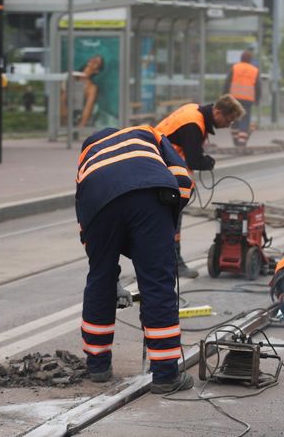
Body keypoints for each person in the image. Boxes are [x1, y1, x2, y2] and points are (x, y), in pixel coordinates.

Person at [76, 125, 196, 393]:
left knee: (99, 280)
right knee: (157, 283)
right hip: (150, 197)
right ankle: (166, 375)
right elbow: (183, 180)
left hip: (99, 205)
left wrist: (104, 267)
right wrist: (167, 226)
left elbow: (85, 221)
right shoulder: (147, 132)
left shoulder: (87, 156)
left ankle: (97, 366)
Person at [155, 94, 245, 278]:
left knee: (165, 218)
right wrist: (208, 162)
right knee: (172, 217)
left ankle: (164, 262)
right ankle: (174, 263)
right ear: (218, 112)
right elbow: (194, 160)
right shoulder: (194, 124)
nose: (228, 125)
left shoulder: (194, 111)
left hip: (158, 161)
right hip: (161, 165)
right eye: (229, 120)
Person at [224, 50, 260, 147]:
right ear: (250, 60)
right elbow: (258, 86)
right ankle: (242, 141)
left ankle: (236, 140)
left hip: (234, 98)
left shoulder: (235, 68)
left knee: (234, 118)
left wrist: (225, 96)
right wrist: (257, 99)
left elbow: (227, 82)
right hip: (248, 98)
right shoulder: (254, 70)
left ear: (241, 58)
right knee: (245, 119)